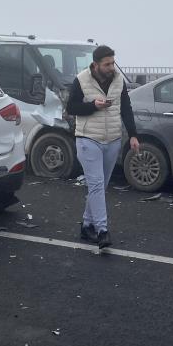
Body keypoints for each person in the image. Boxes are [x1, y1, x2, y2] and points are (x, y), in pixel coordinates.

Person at [66, 45, 140, 248]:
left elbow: (126, 107)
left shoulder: (118, 80)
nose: (111, 67)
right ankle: (102, 230)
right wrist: (93, 106)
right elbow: (71, 107)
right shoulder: (81, 80)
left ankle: (86, 225)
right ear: (96, 64)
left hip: (113, 139)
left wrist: (133, 135)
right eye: (107, 64)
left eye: (113, 62)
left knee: (100, 186)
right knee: (97, 184)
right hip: (88, 138)